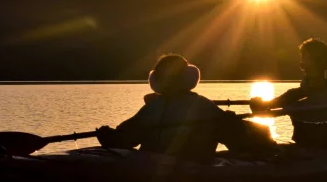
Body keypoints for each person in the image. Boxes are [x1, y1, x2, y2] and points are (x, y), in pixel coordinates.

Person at [95, 54, 236, 163]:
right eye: (163, 76)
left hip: (190, 168)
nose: (168, 80)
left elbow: (234, 137)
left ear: (185, 77)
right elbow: (128, 136)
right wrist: (109, 136)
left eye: (173, 76)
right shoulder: (153, 107)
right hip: (151, 166)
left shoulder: (203, 106)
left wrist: (231, 124)